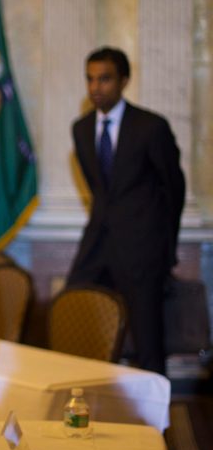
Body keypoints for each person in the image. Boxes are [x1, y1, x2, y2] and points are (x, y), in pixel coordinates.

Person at [68, 47, 185, 374]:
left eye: (104, 79)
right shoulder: (80, 128)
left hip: (142, 252)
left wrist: (165, 250)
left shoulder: (151, 127)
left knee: (148, 345)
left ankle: (156, 423)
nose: (95, 87)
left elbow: (173, 190)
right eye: (90, 79)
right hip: (97, 247)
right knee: (74, 314)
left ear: (123, 80)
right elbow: (99, 190)